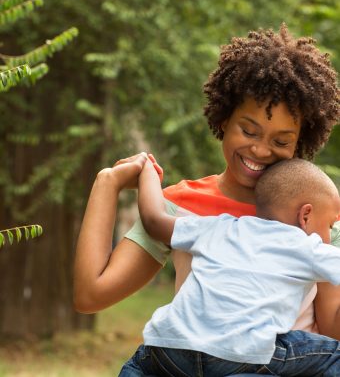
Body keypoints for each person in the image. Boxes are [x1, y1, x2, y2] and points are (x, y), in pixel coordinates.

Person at [73, 24, 340, 375]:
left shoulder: (314, 217)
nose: (260, 149)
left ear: (300, 142)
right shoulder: (182, 206)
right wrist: (106, 183)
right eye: (248, 130)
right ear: (224, 118)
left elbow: (332, 331)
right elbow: (91, 295)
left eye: (281, 141)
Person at [130, 156, 340, 376]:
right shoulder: (308, 247)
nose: (330, 235)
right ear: (305, 215)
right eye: (329, 225)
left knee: (138, 364)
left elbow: (153, 221)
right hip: (239, 355)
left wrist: (148, 172)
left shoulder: (219, 226)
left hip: (170, 348)